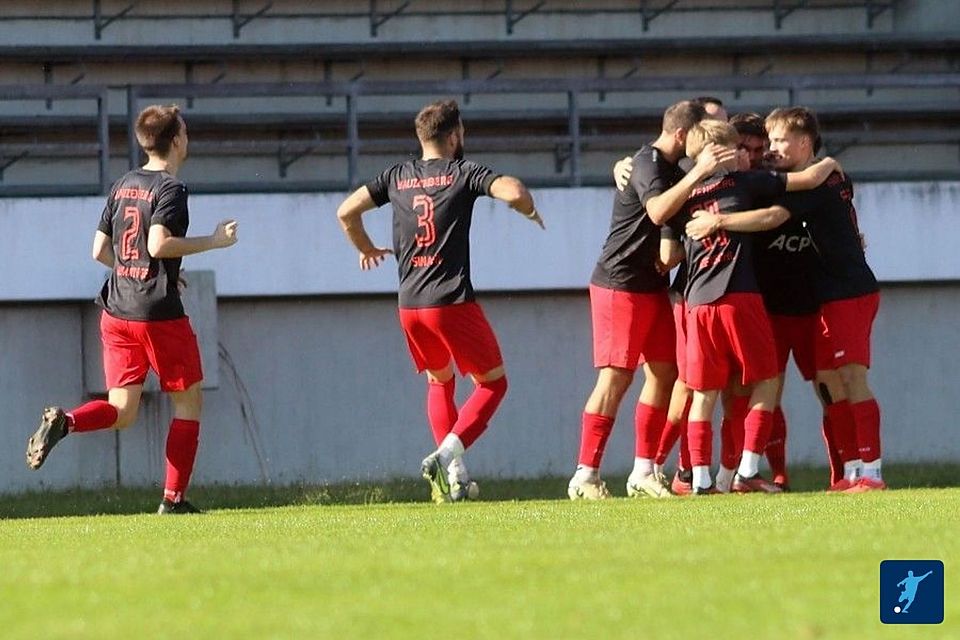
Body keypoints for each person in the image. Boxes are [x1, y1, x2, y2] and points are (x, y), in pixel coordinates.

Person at [25, 104, 239, 514]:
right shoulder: (171, 189)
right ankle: (173, 500)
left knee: (123, 411)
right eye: (186, 133)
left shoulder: (123, 183)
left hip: (116, 309)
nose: (188, 139)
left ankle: (65, 422)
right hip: (156, 314)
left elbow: (99, 251)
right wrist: (212, 241)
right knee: (189, 403)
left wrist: (149, 272)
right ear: (175, 140)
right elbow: (157, 244)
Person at [336, 99, 544, 503]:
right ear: (454, 136)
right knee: (493, 384)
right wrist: (529, 208)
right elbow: (513, 190)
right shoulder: (463, 172)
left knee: (439, 380)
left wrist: (365, 248)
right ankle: (447, 452)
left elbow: (346, 212)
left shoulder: (397, 176)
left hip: (410, 304)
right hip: (451, 302)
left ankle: (454, 479)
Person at [568, 99, 737, 500]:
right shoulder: (647, 162)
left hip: (650, 286)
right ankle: (585, 474)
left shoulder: (674, 171)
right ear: (682, 134)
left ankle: (643, 470)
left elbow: (667, 247)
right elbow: (659, 210)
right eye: (698, 134)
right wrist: (699, 171)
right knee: (616, 377)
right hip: (619, 283)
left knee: (667, 373)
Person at [672, 119, 839, 494]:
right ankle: (747, 470)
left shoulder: (684, 196)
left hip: (696, 301)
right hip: (739, 297)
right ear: (725, 152)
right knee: (767, 380)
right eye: (739, 148)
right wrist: (831, 164)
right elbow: (801, 186)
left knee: (704, 393)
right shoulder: (743, 183)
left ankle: (700, 481)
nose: (749, 155)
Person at [765, 107, 885, 492]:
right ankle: (850, 470)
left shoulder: (816, 183)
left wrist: (719, 220)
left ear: (803, 142)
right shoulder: (824, 175)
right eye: (769, 141)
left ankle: (873, 471)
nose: (773, 148)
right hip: (828, 295)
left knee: (853, 377)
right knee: (830, 382)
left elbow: (770, 217)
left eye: (779, 140)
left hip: (850, 291)